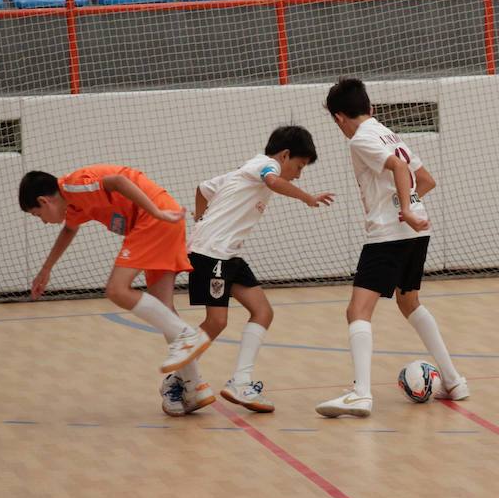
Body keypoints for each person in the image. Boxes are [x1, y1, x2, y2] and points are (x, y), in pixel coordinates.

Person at [316, 77, 469, 418]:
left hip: (390, 234)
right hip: (415, 233)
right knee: (409, 301)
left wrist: (404, 211)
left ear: (339, 118)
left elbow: (398, 167)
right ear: (369, 107)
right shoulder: (389, 133)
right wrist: (410, 208)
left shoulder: (362, 139)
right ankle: (454, 380)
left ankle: (361, 394)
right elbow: (426, 180)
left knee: (357, 311)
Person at [19, 165, 213, 417]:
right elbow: (69, 230)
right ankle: (195, 385)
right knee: (163, 309)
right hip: (165, 217)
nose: (44, 222)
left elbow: (119, 181)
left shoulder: (74, 186)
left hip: (154, 218)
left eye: (38, 215)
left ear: (44, 200)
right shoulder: (73, 206)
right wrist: (46, 269)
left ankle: (186, 335)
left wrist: (155, 212)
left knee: (116, 290)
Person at [186, 125, 334, 413]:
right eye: (299, 166)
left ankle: (240, 382)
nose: (299, 174)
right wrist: (308, 197)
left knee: (263, 311)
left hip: (226, 254)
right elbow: (274, 182)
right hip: (211, 253)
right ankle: (178, 382)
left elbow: (202, 189)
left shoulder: (242, 172)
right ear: (285, 154)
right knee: (216, 322)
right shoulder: (265, 165)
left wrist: (200, 218)